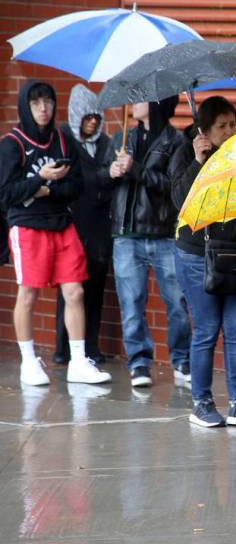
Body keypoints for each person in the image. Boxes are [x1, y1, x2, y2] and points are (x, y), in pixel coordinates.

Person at [0, 80, 111, 386]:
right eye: (36, 103)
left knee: (75, 291)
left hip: (62, 223)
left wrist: (49, 188)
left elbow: (77, 185)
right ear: (26, 106)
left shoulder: (63, 140)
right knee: (29, 294)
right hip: (27, 226)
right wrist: (41, 179)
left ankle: (78, 361)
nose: (43, 109)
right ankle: (28, 362)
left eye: (48, 102)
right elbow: (6, 192)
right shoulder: (12, 143)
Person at [170, 96, 236, 429]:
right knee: (207, 330)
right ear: (204, 130)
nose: (230, 130)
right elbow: (180, 201)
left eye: (233, 123)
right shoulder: (184, 152)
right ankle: (202, 403)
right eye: (222, 126)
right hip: (197, 255)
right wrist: (199, 161)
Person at [101, 96, 192, 388]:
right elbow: (102, 182)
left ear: (156, 103)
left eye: (141, 98)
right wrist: (111, 173)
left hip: (162, 233)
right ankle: (139, 363)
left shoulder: (175, 142)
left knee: (177, 302)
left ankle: (181, 359)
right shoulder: (120, 137)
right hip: (126, 235)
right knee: (131, 303)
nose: (133, 103)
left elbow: (173, 187)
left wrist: (137, 169)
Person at [54, 84, 113, 365]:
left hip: (100, 226)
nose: (92, 122)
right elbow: (72, 180)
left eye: (96, 117)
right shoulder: (63, 139)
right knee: (70, 290)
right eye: (87, 116)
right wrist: (105, 175)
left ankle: (92, 346)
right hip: (73, 224)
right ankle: (63, 349)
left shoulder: (107, 144)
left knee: (96, 289)